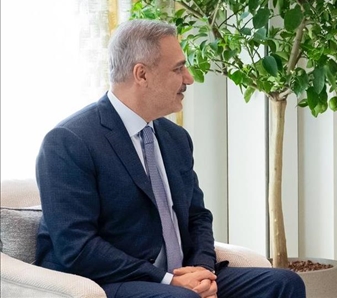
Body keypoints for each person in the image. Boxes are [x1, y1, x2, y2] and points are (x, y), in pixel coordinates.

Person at [35, 19, 305, 298]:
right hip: (109, 281)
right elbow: (76, 248)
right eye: (178, 69)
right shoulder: (69, 141)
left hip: (179, 279)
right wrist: (167, 280)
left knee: (283, 283)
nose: (189, 78)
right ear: (141, 75)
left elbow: (198, 216)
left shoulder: (175, 138)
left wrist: (202, 270)